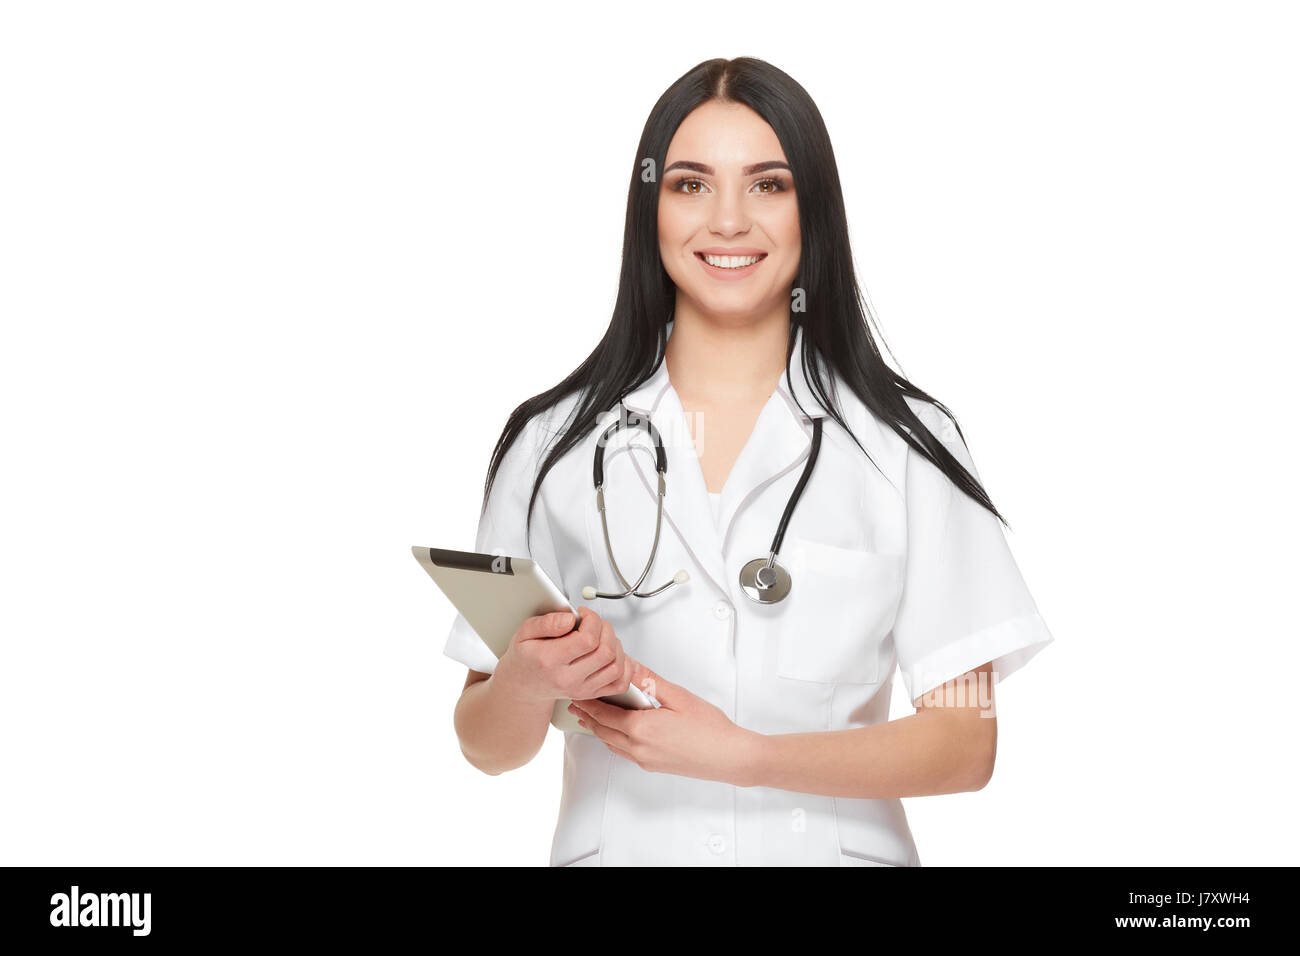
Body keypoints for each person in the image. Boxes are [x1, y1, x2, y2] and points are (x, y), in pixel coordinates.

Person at [442, 56, 1053, 866]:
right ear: (649, 210)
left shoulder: (908, 444)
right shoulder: (555, 443)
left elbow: (964, 742)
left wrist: (745, 756)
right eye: (690, 185)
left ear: (815, 210)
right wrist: (527, 677)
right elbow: (488, 745)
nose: (728, 221)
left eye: (768, 184)